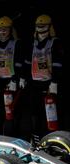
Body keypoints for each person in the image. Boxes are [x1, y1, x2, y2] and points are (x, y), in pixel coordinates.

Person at [24, 14, 63, 144]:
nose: (40, 29)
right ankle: (35, 138)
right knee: (35, 112)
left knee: (51, 114)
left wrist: (54, 82)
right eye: (38, 26)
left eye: (43, 26)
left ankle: (53, 139)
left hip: (49, 83)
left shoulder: (55, 42)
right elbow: (28, 62)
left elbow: (58, 63)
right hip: (34, 83)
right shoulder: (32, 42)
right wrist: (23, 78)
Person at [0, 16, 23, 136]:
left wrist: (15, 79)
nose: (2, 31)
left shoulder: (16, 43)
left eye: (5, 29)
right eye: (0, 28)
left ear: (10, 30)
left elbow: (18, 62)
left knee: (12, 107)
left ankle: (15, 130)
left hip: (11, 79)